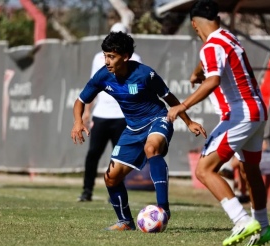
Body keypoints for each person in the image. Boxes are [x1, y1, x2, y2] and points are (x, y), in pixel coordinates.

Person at [167, 0, 270, 246]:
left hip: (239, 114)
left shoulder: (210, 47)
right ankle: (264, 226)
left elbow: (213, 80)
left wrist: (182, 106)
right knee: (251, 171)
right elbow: (211, 58)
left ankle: (241, 220)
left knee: (204, 170)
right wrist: (197, 72)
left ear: (194, 25)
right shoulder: (227, 37)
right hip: (257, 111)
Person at [71, 31, 206, 230]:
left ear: (125, 57)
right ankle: (125, 221)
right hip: (132, 128)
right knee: (111, 177)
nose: (107, 61)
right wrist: (77, 122)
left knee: (152, 148)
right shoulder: (102, 76)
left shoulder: (145, 74)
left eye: (112, 56)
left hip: (157, 119)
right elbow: (81, 100)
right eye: (105, 55)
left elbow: (169, 99)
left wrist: (188, 122)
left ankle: (163, 209)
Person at [77, 22, 142, 202]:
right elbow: (92, 86)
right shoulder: (100, 57)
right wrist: (87, 111)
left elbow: (138, 87)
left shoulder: (134, 58)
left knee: (119, 158)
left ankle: (114, 194)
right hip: (102, 114)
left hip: (122, 116)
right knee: (93, 154)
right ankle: (86, 191)